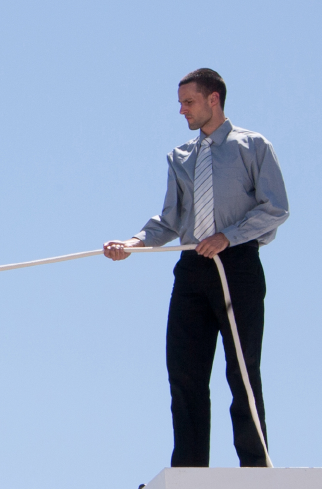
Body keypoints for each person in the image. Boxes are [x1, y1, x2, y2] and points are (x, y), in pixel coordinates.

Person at [104, 69, 289, 468]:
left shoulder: (252, 146)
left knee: (242, 371)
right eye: (180, 104)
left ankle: (256, 468)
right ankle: (189, 470)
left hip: (237, 265)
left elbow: (276, 207)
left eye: (188, 102)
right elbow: (170, 220)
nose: (183, 111)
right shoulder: (180, 157)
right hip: (191, 270)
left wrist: (228, 236)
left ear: (214, 99)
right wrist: (132, 244)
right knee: (184, 373)